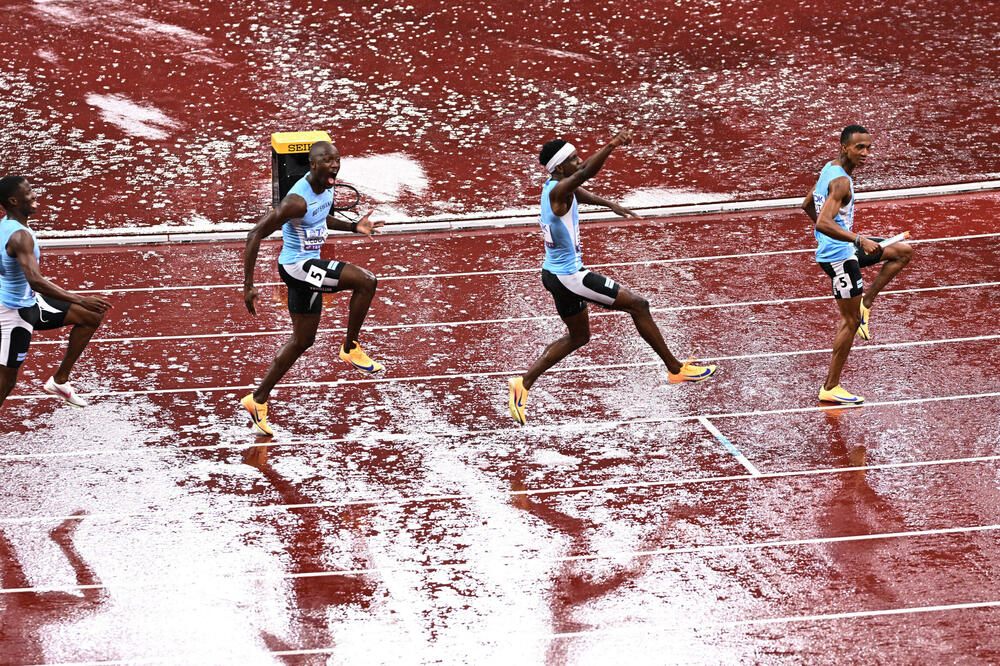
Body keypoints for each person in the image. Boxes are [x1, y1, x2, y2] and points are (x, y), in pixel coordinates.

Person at [507, 131, 716, 425]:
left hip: (552, 274)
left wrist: (609, 205)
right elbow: (585, 174)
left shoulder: (554, 187)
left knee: (579, 336)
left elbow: (580, 191)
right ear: (560, 167)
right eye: (573, 159)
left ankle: (523, 383)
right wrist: (612, 145)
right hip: (570, 277)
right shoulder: (558, 192)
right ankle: (675, 369)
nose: (579, 162)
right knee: (639, 305)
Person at [242, 140, 385, 436]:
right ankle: (350, 348)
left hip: (306, 267)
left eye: (337, 160)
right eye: (327, 161)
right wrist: (248, 286)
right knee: (366, 281)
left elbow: (320, 217)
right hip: (298, 267)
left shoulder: (328, 187)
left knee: (302, 340)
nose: (334, 166)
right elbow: (254, 234)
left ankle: (257, 400)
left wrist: (354, 227)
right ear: (312, 164)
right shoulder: (296, 201)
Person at [802, 124, 913, 404]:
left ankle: (867, 301)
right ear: (844, 147)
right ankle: (830, 387)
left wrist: (840, 236)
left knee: (902, 251)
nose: (865, 153)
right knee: (849, 322)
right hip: (839, 258)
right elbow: (823, 221)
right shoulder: (841, 182)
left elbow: (807, 205)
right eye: (859, 147)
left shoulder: (829, 168)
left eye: (868, 148)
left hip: (846, 248)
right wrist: (857, 239)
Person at [0, 176, 110, 410]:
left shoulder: (6, 225)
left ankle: (59, 381)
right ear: (13, 200)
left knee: (91, 316)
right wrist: (81, 299)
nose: (34, 195)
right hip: (14, 313)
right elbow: (36, 281)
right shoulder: (20, 236)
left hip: (30, 303)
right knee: (7, 380)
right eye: (28, 192)